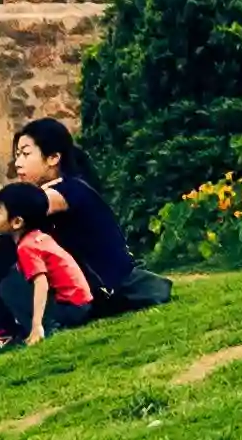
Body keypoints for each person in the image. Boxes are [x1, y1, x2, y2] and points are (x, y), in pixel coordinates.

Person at [10, 117, 164, 315]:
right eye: (17, 155)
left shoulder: (71, 189)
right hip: (85, 290)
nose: (18, 163)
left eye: (25, 154)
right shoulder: (55, 191)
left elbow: (22, 208)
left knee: (14, 241)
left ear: (53, 158)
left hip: (107, 289)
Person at [0, 183, 96, 356]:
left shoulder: (27, 247)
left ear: (17, 222)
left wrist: (37, 325)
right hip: (81, 305)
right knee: (15, 277)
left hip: (72, 309)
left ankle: (40, 329)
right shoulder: (38, 237)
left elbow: (41, 283)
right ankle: (33, 326)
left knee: (9, 287)